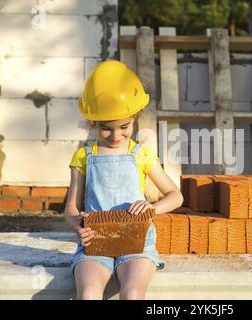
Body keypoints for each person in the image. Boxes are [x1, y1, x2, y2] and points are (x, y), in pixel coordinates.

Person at [64, 60, 184, 300]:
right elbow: (71, 209)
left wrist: (153, 208)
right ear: (92, 122)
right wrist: (79, 227)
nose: (115, 135)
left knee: (132, 294)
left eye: (124, 126)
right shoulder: (84, 157)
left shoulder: (141, 155)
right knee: (88, 294)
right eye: (106, 128)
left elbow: (176, 196)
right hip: (96, 244)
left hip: (136, 243)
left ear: (136, 117)